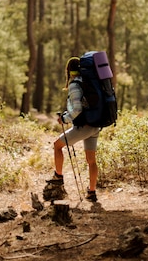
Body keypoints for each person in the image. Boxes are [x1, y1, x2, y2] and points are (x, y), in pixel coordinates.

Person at [46, 56, 101, 202]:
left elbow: (77, 109)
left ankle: (58, 177)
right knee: (91, 160)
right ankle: (92, 192)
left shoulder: (75, 85)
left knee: (57, 146)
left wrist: (64, 119)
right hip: (95, 125)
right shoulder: (88, 82)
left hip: (84, 127)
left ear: (69, 70)